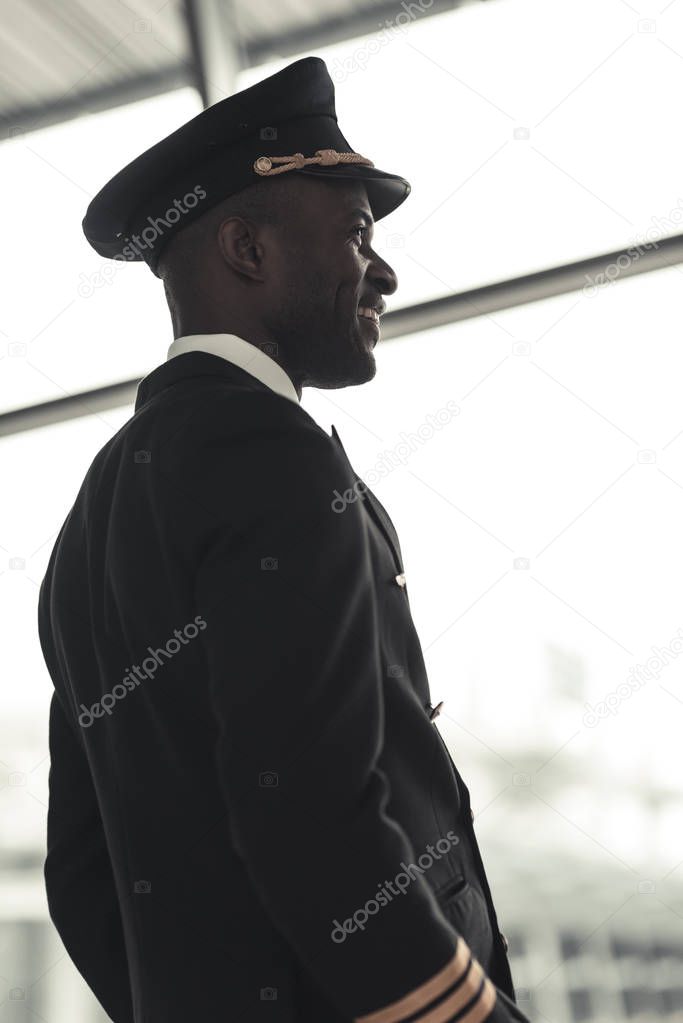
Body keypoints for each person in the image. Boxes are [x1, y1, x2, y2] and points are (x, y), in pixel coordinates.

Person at [38, 55, 530, 1023]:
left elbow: (84, 866)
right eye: (354, 233)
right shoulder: (276, 457)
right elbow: (315, 823)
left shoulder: (91, 513)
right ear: (246, 251)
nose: (382, 270)